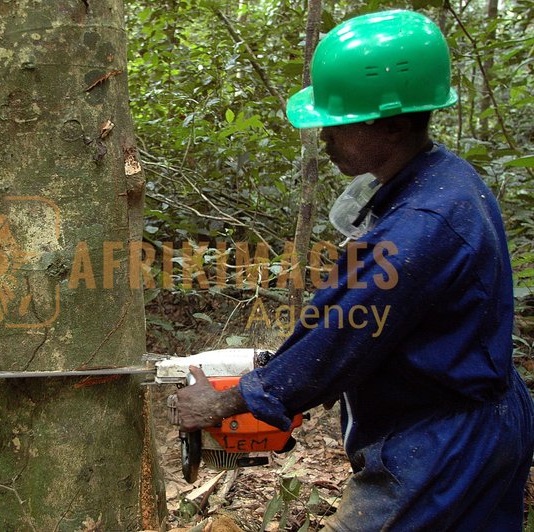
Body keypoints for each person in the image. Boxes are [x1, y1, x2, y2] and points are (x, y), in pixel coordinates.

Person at [177, 9, 534, 531]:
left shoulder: (418, 227)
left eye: (338, 122)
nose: (324, 135)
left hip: (440, 446)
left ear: (392, 124)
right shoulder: (444, 177)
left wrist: (226, 402)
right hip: (479, 420)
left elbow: (338, 339)